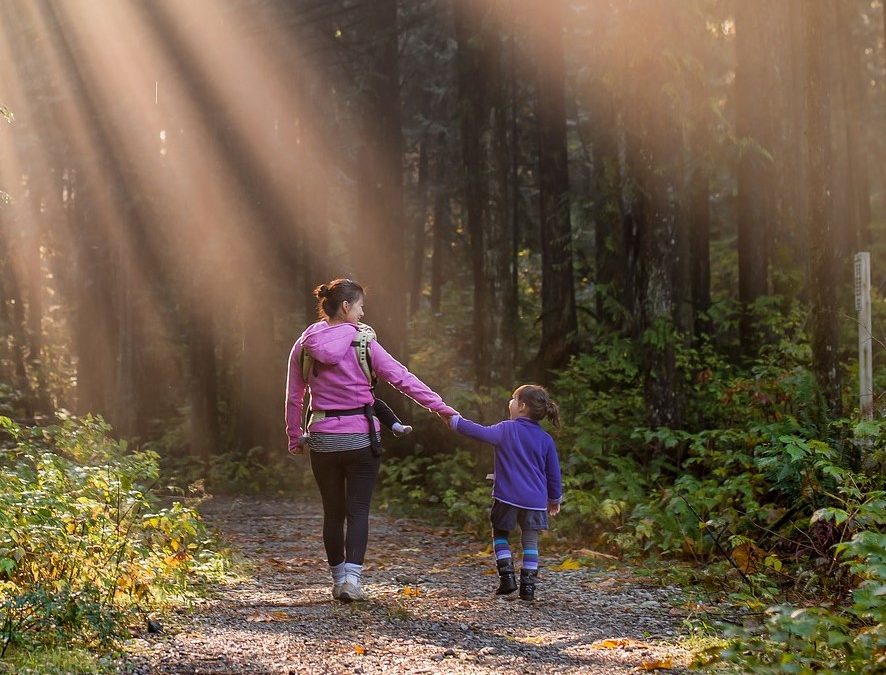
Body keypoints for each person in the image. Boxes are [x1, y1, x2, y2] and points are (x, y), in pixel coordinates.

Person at [286, 278, 457, 602]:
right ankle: (353, 580)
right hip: (362, 439)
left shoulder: (305, 343)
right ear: (347, 306)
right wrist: (441, 408)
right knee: (358, 511)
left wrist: (295, 435)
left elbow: (294, 396)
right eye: (361, 306)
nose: (363, 313)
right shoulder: (363, 342)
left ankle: (337, 582)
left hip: (323, 438)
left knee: (332, 512)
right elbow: (403, 379)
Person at [447, 384, 562, 601]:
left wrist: (454, 421)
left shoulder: (506, 429)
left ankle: (507, 578)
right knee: (530, 541)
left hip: (507, 496)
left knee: (500, 534)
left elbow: (478, 431)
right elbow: (553, 473)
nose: (509, 402)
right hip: (535, 501)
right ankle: (528, 588)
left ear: (522, 406)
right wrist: (554, 499)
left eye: (513, 399)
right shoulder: (546, 439)